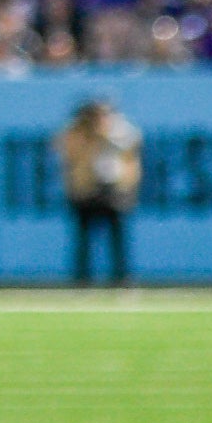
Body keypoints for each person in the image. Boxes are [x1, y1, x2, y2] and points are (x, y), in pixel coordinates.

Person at [56, 95, 141, 286]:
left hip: (113, 188)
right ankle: (82, 279)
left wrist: (129, 187)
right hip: (86, 189)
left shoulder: (121, 132)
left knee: (117, 237)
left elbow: (131, 158)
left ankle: (121, 278)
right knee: (84, 237)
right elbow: (68, 154)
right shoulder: (75, 132)